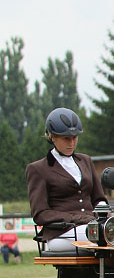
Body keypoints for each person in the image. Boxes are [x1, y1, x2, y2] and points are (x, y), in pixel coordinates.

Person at [26, 108, 107, 252]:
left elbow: (99, 199)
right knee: (108, 236)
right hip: (61, 233)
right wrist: (80, 219)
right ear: (52, 137)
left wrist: (104, 214)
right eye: (66, 139)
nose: (71, 143)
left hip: (92, 227)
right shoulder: (38, 169)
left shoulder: (86, 160)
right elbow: (40, 214)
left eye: (75, 138)